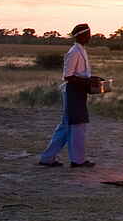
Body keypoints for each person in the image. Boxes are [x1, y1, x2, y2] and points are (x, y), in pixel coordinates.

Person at [38, 23, 95, 168]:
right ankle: (78, 160)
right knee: (77, 126)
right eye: (88, 34)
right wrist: (88, 80)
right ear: (81, 35)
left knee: (66, 126)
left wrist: (91, 79)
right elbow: (68, 76)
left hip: (78, 91)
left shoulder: (80, 50)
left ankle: (47, 158)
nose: (90, 36)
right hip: (73, 92)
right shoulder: (74, 52)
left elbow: (79, 74)